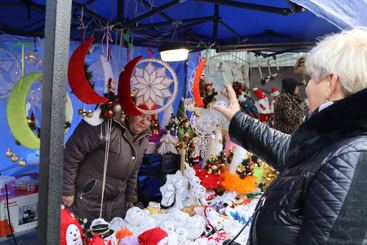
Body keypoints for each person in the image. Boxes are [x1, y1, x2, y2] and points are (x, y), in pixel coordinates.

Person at [214, 27, 367, 244]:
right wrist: (239, 119)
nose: (307, 88)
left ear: (331, 84)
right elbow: (294, 153)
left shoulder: (352, 156)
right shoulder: (337, 141)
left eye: (312, 79)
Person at [62, 112, 152, 221]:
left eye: (148, 118)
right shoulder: (104, 125)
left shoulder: (144, 138)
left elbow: (134, 169)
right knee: (81, 235)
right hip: (86, 200)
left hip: (116, 206)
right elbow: (71, 156)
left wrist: (130, 196)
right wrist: (66, 190)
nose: (144, 122)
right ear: (129, 112)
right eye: (141, 115)